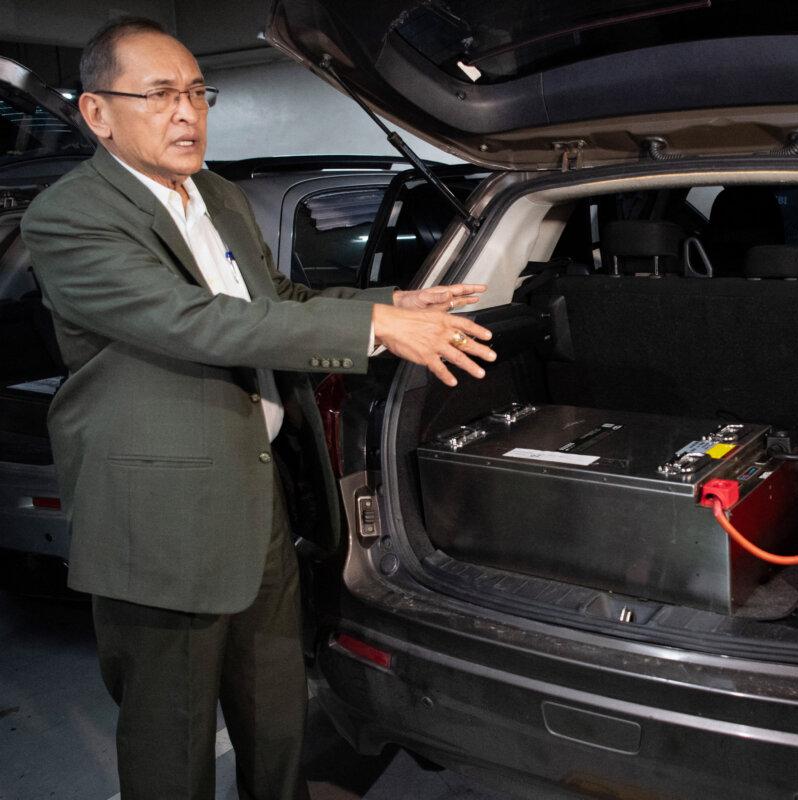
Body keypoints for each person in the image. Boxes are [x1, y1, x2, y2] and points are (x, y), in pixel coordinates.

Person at [20, 16, 495, 800]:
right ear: (97, 114)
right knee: (170, 735)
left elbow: (280, 303)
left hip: (258, 498)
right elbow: (194, 321)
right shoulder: (71, 216)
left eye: (197, 93)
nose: (187, 113)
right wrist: (376, 327)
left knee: (276, 716)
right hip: (161, 518)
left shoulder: (216, 195)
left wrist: (392, 299)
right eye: (160, 94)